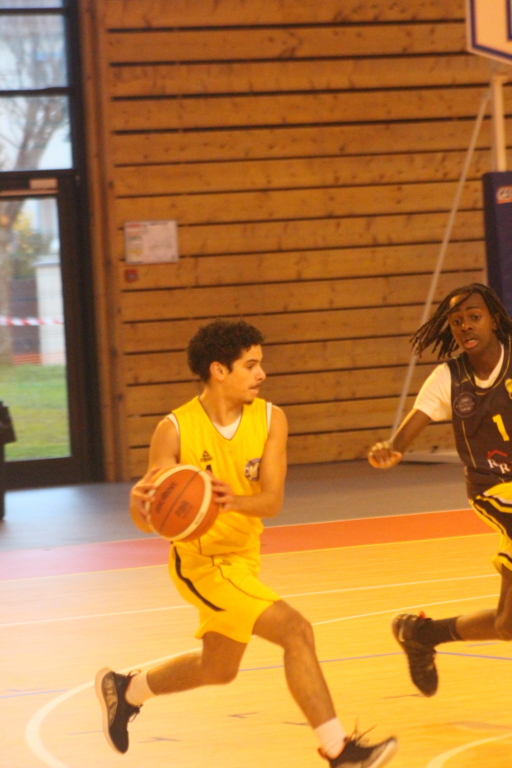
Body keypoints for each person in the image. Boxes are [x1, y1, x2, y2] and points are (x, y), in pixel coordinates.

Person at [95, 319, 398, 768]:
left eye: (261, 364)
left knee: (218, 669)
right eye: (251, 365)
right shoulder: (174, 429)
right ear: (219, 370)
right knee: (296, 631)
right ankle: (339, 750)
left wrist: (230, 501)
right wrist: (139, 505)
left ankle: (126, 690)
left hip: (243, 558)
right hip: (201, 565)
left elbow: (271, 501)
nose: (262, 374)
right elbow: (151, 520)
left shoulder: (272, 419)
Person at [368, 282, 512, 698]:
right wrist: (390, 451)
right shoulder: (448, 378)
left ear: (493, 320)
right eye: (457, 321)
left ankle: (422, 634)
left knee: (507, 625)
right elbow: (404, 437)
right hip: (492, 488)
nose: (465, 326)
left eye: (474, 317)